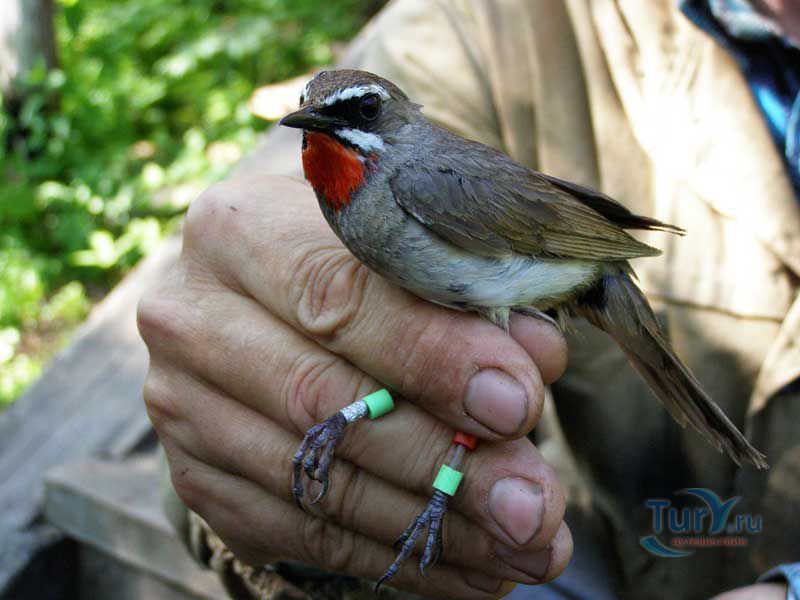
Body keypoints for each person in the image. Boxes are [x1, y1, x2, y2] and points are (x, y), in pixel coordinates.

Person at [136, 1, 800, 599]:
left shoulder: (419, 182)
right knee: (459, 376)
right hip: (566, 550)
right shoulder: (449, 44)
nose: (329, 126)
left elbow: (540, 231)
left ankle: (432, 492)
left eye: (360, 113)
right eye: (316, 115)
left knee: (478, 373)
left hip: (576, 272)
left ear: (389, 118)